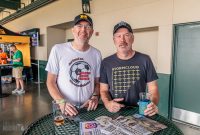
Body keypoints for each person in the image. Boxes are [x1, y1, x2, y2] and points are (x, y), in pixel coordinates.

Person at [46, 14, 102, 116]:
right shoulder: (58, 49)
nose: (83, 30)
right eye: (79, 26)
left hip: (88, 108)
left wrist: (95, 96)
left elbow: (97, 83)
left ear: (92, 32)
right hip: (64, 109)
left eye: (88, 27)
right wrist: (62, 102)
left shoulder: (96, 54)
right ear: (73, 30)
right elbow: (50, 82)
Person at [100, 21, 159, 116]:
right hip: (115, 112)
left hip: (140, 111)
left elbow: (153, 88)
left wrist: (153, 104)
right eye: (118, 36)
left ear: (132, 38)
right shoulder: (106, 62)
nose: (122, 40)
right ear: (114, 40)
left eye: (126, 35)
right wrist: (107, 103)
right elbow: (103, 90)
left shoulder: (145, 59)